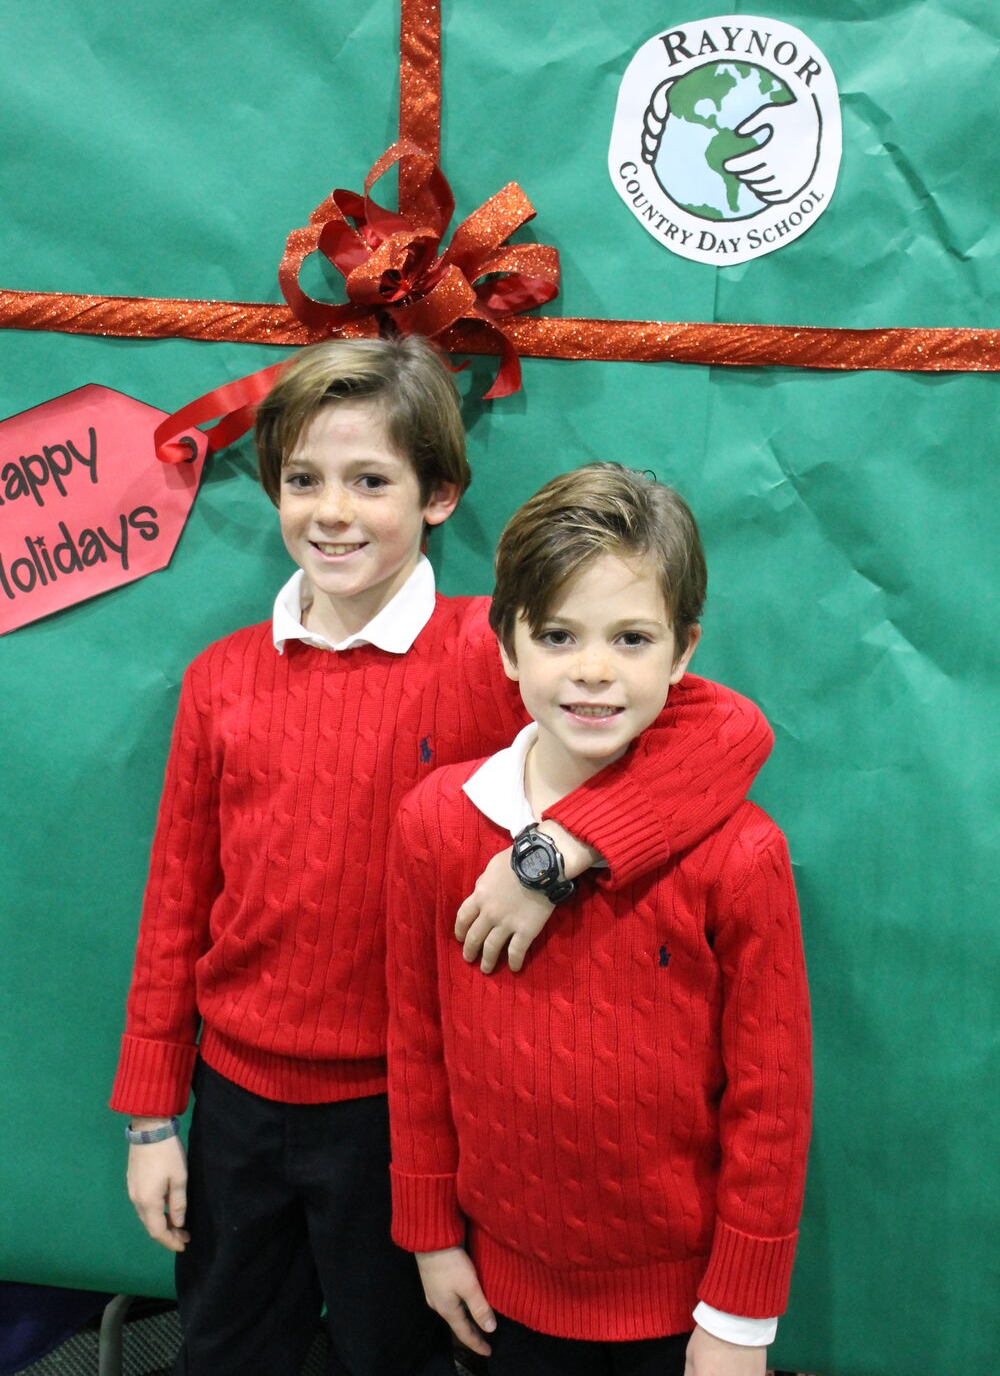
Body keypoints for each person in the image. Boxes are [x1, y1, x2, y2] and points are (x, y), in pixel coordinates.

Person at [110, 338, 773, 1376]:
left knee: (400, 1352)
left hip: (400, 1111)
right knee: (231, 1344)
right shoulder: (220, 680)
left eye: (370, 480)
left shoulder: (493, 650)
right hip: (234, 1093)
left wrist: (559, 847)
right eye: (303, 480)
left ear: (438, 496)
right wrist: (153, 1114)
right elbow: (174, 899)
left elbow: (726, 731)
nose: (332, 511)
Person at [386, 462, 812, 1376]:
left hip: (683, 1303)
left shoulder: (742, 856)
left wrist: (739, 1318)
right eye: (557, 635)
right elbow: (417, 1042)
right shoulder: (434, 823)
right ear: (506, 646)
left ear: (683, 652)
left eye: (630, 638)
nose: (592, 671)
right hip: (502, 1285)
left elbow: (770, 1105)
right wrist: (429, 1233)